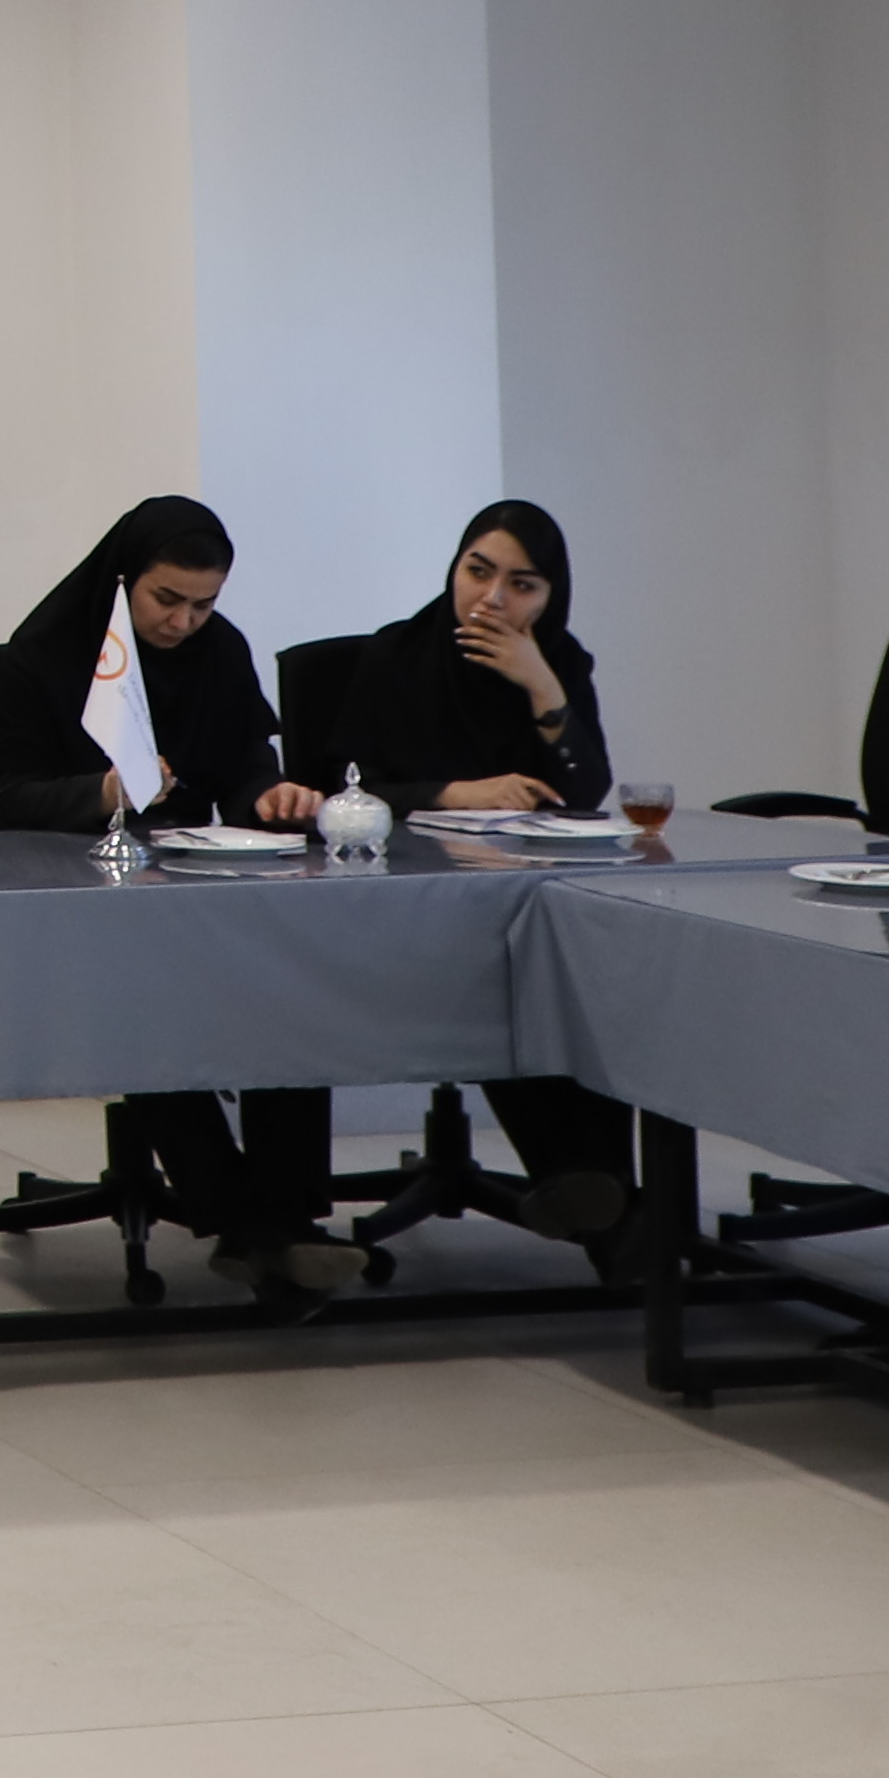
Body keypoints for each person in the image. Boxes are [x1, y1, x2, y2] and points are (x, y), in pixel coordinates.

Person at [0, 499, 362, 1304]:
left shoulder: (219, 651)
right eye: (167, 600)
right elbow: (6, 799)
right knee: (146, 1003)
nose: (184, 622)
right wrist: (105, 791)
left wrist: (274, 796)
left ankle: (287, 1218)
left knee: (289, 988)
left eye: (203, 604)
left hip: (187, 886)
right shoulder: (42, 656)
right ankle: (245, 1223)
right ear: (125, 581)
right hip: (75, 893)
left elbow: (244, 767)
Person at [321, 501, 644, 1246]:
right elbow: (341, 793)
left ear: (550, 596)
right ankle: (594, 1201)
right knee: (506, 970)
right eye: (478, 571)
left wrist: (543, 688)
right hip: (413, 903)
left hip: (525, 895)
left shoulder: (558, 661)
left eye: (522, 585)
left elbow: (585, 790)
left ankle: (602, 1199)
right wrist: (455, 794)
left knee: (582, 973)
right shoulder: (396, 657)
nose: (492, 598)